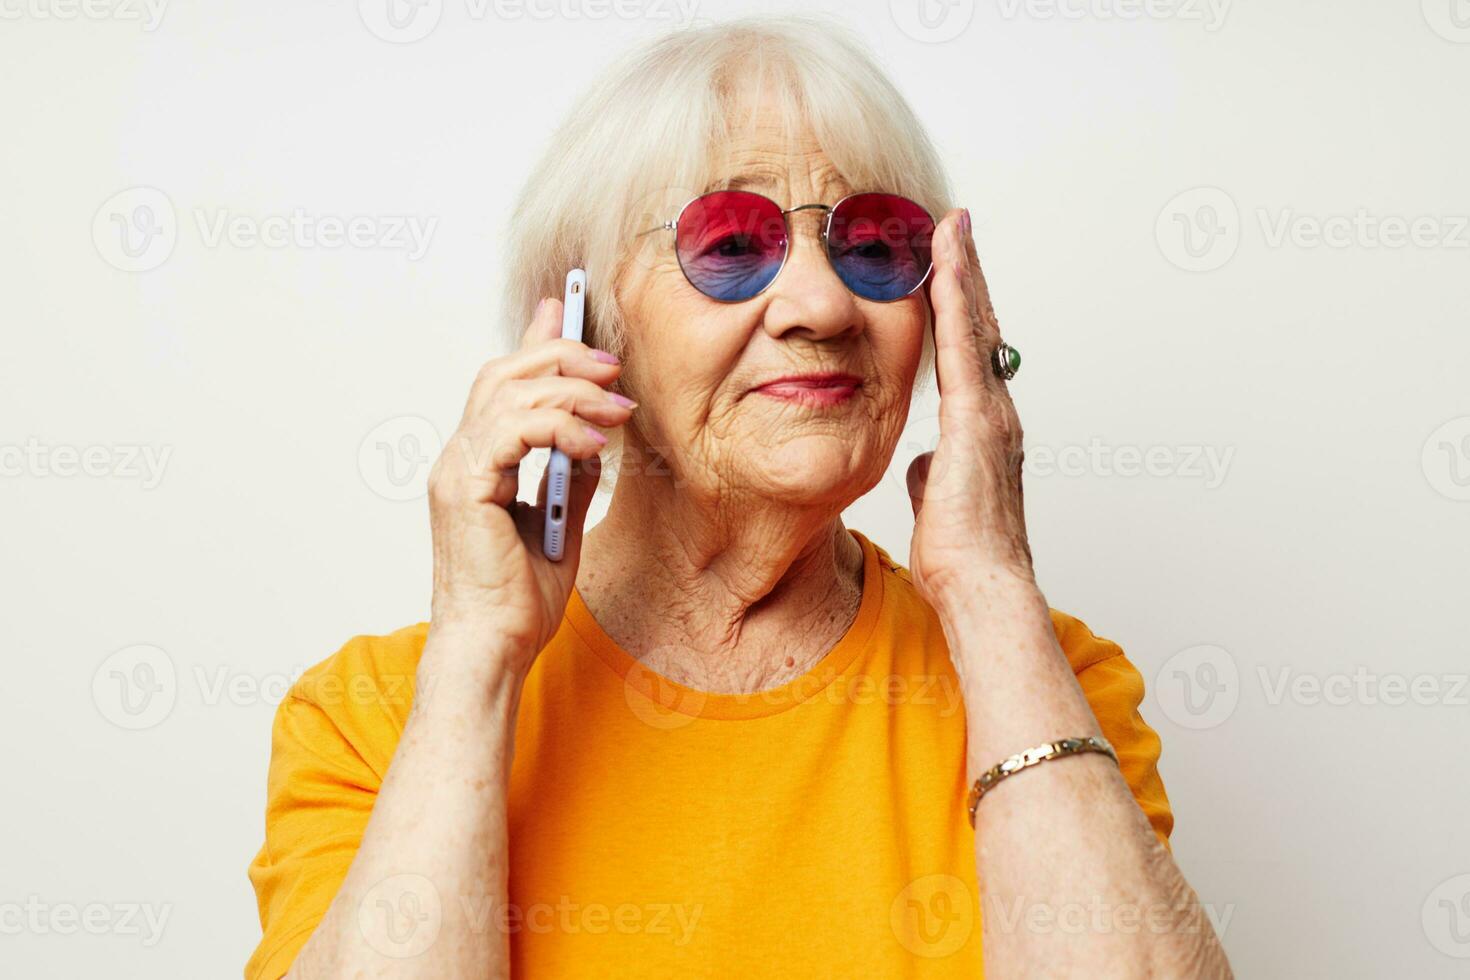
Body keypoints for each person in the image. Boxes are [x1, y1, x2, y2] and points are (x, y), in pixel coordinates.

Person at [245, 16, 1231, 979]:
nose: (825, 305)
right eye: (729, 244)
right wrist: (476, 658)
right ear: (590, 325)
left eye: (877, 245)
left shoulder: (1053, 685)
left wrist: (989, 581)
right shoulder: (368, 717)